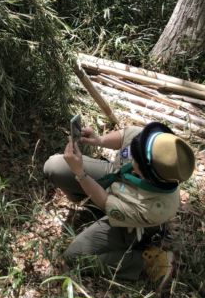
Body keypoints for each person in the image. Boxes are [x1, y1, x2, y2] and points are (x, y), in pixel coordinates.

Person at [43, 121, 195, 287]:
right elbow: (126, 136)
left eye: (136, 160)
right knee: (54, 167)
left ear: (146, 175)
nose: (132, 157)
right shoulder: (154, 143)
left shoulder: (155, 207)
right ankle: (87, 203)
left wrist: (80, 173)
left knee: (74, 257)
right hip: (117, 178)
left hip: (131, 220)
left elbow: (104, 202)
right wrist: (99, 140)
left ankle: (146, 262)